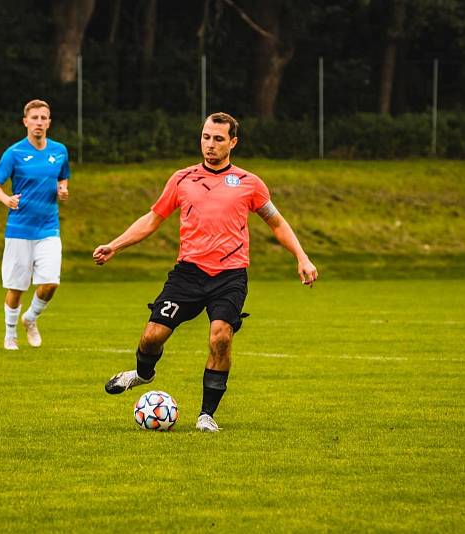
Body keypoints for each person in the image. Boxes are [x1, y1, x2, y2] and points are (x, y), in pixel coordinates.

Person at [93, 112, 318, 433]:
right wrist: (115, 245)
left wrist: (302, 256)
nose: (210, 145)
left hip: (230, 276)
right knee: (152, 336)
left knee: (221, 337)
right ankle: (143, 374)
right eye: (205, 137)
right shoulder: (182, 179)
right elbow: (152, 219)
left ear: (233, 142)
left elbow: (277, 223)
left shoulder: (248, 183)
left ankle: (206, 415)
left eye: (218, 139)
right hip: (188, 274)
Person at [0, 99, 70, 350]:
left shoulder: (59, 151)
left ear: (49, 122)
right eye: (34, 118)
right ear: (25, 121)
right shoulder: (14, 153)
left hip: (48, 228)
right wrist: (6, 199)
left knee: (51, 282)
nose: (39, 122)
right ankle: (10, 334)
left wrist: (63, 189)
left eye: (43, 118)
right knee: (16, 287)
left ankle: (31, 318)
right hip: (19, 230)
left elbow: (63, 178)